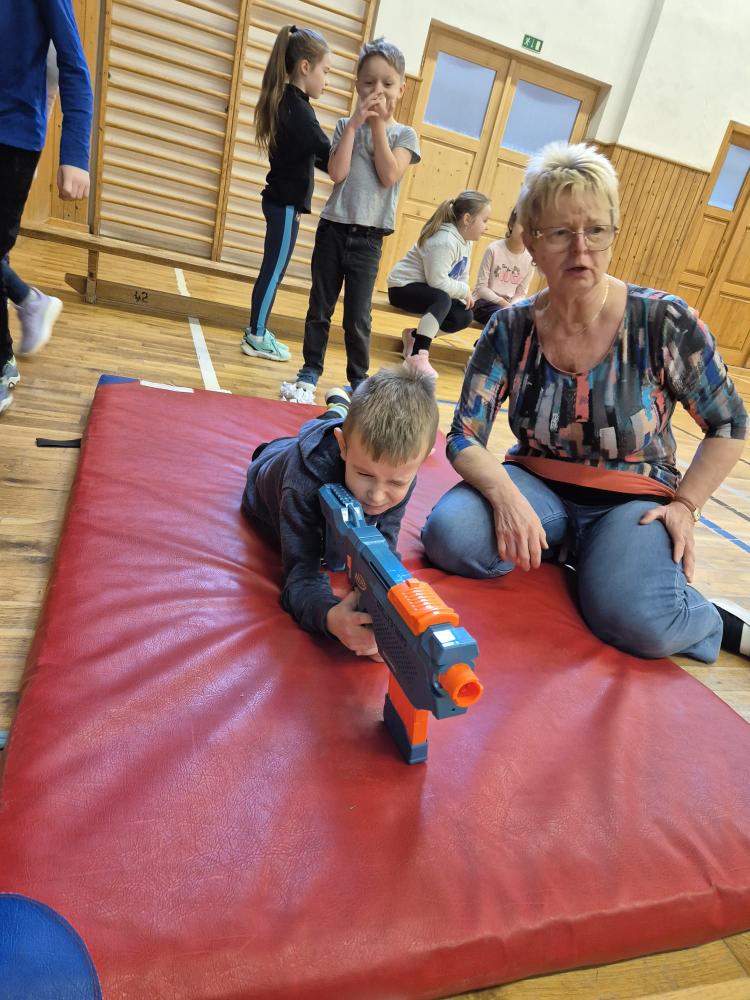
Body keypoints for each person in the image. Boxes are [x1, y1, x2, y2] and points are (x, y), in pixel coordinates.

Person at [421, 141, 749, 664]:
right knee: (451, 537)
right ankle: (579, 552)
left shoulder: (663, 320)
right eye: (559, 233)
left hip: (632, 498)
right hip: (537, 485)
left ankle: (714, 619)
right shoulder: (509, 327)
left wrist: (686, 506)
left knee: (638, 621)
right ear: (531, 241)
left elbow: (729, 422)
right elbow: (464, 435)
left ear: (613, 233)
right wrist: (506, 498)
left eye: (596, 230)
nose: (581, 250)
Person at [242, 368, 438, 655]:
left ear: (421, 462)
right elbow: (301, 577)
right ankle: (337, 411)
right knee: (300, 440)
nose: (377, 495)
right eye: (364, 474)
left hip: (338, 442)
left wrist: (392, 608)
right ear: (343, 447)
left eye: (396, 483)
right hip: (272, 460)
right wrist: (330, 619)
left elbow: (383, 546)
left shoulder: (397, 470)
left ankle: (338, 406)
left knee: (337, 424)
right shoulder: (301, 485)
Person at [280, 38, 420, 404]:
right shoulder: (346, 126)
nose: (378, 91)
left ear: (401, 89)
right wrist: (357, 124)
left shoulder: (404, 135)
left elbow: (388, 175)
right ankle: (310, 370)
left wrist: (377, 126)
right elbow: (337, 173)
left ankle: (359, 379)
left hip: (369, 239)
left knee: (358, 316)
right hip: (333, 229)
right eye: (369, 83)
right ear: (358, 86)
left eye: (387, 83)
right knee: (320, 306)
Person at [0, 1, 92, 416]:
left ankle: (3, 361)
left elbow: (72, 65)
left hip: (13, 136)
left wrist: (74, 153)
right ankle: (26, 301)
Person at [240, 24, 332, 364]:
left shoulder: (293, 104)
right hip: (284, 206)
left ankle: (258, 329)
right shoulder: (298, 111)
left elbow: (316, 156)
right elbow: (328, 153)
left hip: (283, 204)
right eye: (325, 71)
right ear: (305, 67)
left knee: (273, 270)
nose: (327, 80)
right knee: (273, 271)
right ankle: (256, 335)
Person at [387, 190, 491, 381]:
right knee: (442, 299)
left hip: (429, 290)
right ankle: (418, 357)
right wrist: (464, 291)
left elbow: (461, 275)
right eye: (484, 220)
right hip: (402, 288)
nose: (487, 226)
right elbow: (437, 282)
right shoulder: (445, 240)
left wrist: (463, 295)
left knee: (464, 315)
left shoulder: (465, 242)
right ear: (467, 219)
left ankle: (415, 337)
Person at [471, 206, 535, 327]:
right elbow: (481, 288)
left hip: (508, 306)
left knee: (528, 321)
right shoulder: (494, 249)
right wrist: (505, 305)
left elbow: (520, 293)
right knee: (505, 318)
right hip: (483, 302)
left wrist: (513, 307)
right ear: (511, 225)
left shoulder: (531, 259)